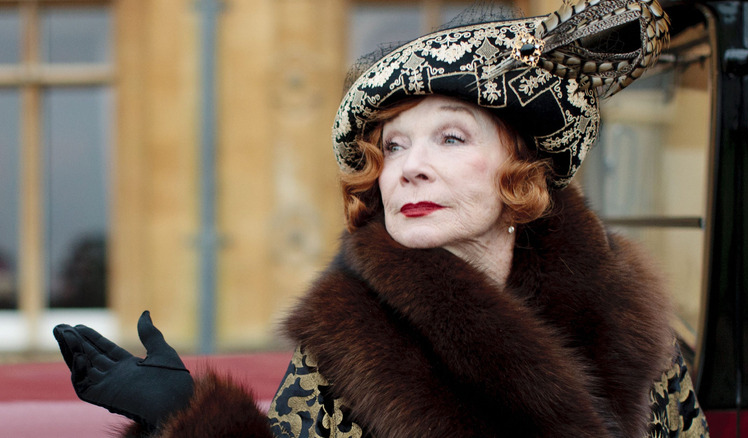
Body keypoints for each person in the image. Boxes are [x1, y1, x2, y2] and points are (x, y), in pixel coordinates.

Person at [53, 0, 711, 436]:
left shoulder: (629, 325)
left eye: (450, 138)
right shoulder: (351, 340)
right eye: (393, 146)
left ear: (522, 171)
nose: (406, 169)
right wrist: (186, 417)